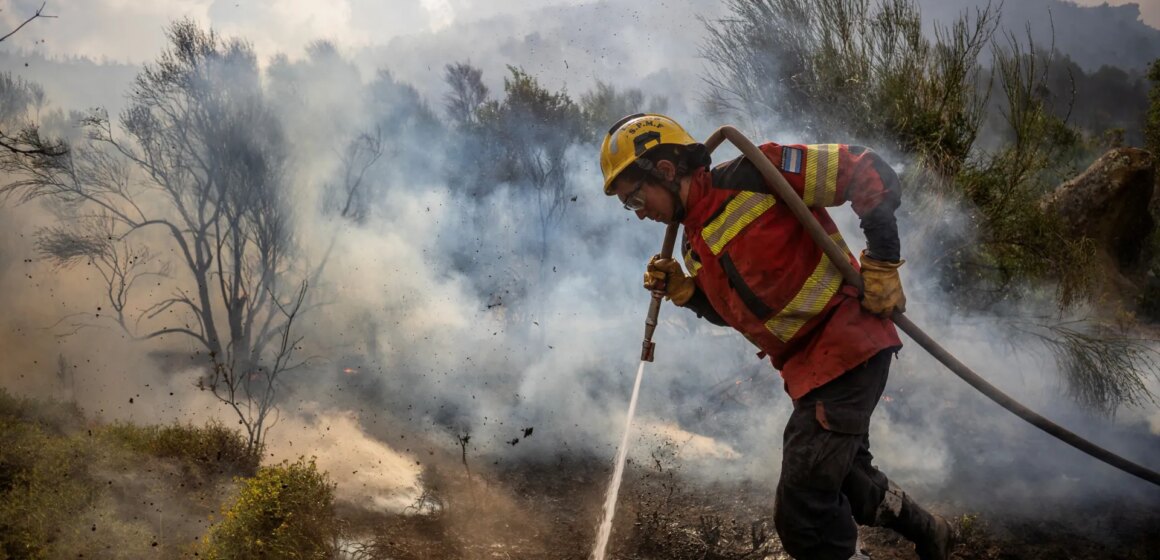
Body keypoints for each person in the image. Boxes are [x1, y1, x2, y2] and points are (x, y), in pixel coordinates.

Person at [599, 113, 954, 560]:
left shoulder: (757, 172)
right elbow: (744, 315)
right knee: (850, 480)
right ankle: (930, 532)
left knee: (803, 511)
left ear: (665, 171)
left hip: (848, 346)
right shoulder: (692, 244)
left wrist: (882, 260)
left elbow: (866, 168)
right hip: (810, 371)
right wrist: (689, 293)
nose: (639, 213)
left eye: (635, 198)